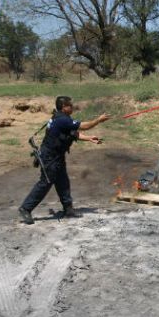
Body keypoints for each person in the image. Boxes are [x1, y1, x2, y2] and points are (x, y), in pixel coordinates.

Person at [18, 96, 111, 224]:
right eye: (70, 105)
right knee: (45, 183)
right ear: (64, 107)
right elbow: (84, 126)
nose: (72, 107)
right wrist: (98, 120)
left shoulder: (61, 117)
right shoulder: (62, 119)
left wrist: (89, 138)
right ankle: (25, 208)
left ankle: (68, 209)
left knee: (63, 181)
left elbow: (73, 133)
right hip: (50, 157)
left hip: (56, 156)